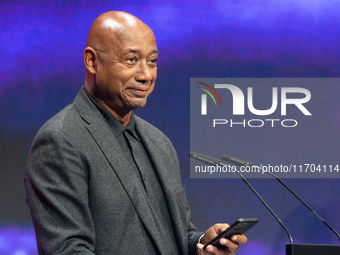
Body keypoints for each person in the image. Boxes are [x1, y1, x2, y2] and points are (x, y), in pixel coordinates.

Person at [25, 11, 247, 255]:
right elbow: (67, 250)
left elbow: (177, 237)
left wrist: (202, 246)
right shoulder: (60, 140)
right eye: (131, 60)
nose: (146, 75)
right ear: (92, 62)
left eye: (152, 61)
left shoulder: (158, 143)